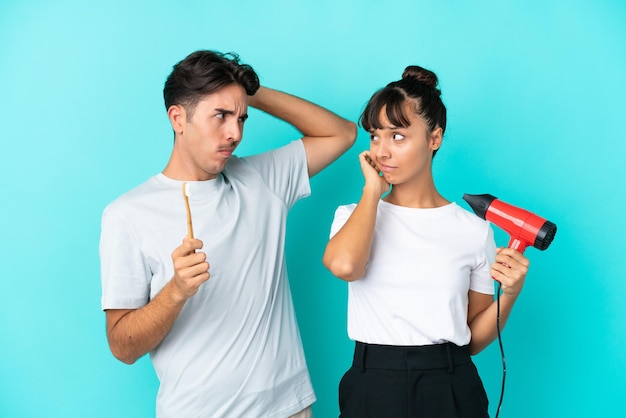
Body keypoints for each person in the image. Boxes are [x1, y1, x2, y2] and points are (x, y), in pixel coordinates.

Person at [100, 50, 356, 418]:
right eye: (220, 115)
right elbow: (122, 346)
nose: (235, 133)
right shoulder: (127, 215)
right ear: (178, 118)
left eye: (241, 118)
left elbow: (342, 133)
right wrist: (176, 292)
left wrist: (246, 91)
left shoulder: (263, 180)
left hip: (288, 408)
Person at [322, 65, 530, 418]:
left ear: (434, 138)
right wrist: (372, 192)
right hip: (373, 382)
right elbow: (345, 266)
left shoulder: (473, 230)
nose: (383, 151)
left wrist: (510, 294)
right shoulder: (352, 215)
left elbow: (474, 339)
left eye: (398, 136)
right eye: (375, 136)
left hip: (449, 384)